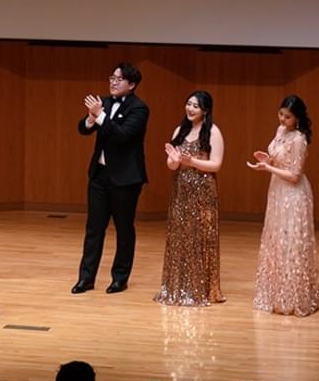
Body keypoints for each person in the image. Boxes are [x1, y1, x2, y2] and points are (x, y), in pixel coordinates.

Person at [73, 61, 150, 295]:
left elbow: (123, 135)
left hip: (126, 178)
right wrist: (90, 118)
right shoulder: (104, 102)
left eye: (119, 79)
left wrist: (100, 116)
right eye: (111, 78)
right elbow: (83, 128)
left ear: (132, 84)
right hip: (100, 175)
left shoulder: (139, 108)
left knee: (124, 229)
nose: (113, 83)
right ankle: (86, 278)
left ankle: (120, 278)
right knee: (94, 228)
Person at [249, 94, 319, 316]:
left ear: (297, 118)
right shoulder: (280, 131)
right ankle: (275, 293)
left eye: (287, 116)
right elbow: (280, 160)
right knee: (276, 240)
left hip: (293, 195)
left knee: (291, 242)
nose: (282, 119)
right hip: (277, 192)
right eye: (281, 114)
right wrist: (267, 160)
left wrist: (268, 169)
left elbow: (294, 175)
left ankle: (293, 296)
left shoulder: (299, 139)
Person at [154, 90, 226, 307]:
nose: (190, 109)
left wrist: (192, 161)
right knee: (180, 236)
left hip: (203, 191)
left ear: (205, 110)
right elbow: (172, 165)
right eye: (188, 104)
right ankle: (177, 286)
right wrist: (175, 160)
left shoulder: (213, 132)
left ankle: (200, 287)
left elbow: (216, 165)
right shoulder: (180, 130)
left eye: (195, 106)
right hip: (181, 191)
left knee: (201, 236)